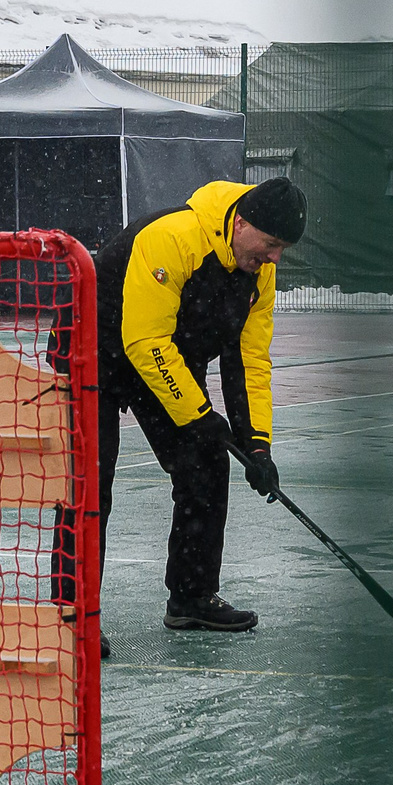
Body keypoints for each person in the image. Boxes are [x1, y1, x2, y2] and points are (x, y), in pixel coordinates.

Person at [90, 176, 304, 644]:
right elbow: (144, 340)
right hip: (95, 350)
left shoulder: (258, 273)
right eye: (271, 244)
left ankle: (191, 598)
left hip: (165, 355)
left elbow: (249, 360)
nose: (275, 258)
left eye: (282, 249)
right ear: (241, 223)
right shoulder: (174, 238)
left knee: (206, 462)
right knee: (90, 482)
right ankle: (73, 614)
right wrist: (200, 415)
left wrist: (257, 447)